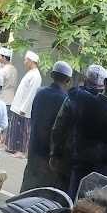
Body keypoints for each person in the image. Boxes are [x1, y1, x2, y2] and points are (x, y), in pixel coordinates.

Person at [51, 68, 107, 199]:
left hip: (78, 165)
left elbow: (73, 91)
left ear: (104, 82)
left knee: (70, 201)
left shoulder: (84, 100)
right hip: (99, 174)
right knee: (85, 210)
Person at [20, 60, 72, 192]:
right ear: (68, 80)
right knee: (42, 191)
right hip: (49, 153)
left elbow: (33, 117)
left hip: (34, 146)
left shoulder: (40, 93)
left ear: (52, 75)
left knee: (28, 184)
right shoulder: (65, 100)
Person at [6, 50, 42, 157]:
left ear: (31, 61)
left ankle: (22, 151)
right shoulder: (30, 73)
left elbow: (31, 94)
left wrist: (24, 108)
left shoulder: (36, 76)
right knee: (15, 128)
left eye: (26, 60)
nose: (24, 61)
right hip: (18, 106)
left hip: (24, 109)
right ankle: (12, 147)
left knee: (24, 131)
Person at [0, 47, 18, 115]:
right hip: (11, 100)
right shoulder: (14, 69)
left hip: (2, 99)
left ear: (4, 58)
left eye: (0, 56)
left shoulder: (3, 70)